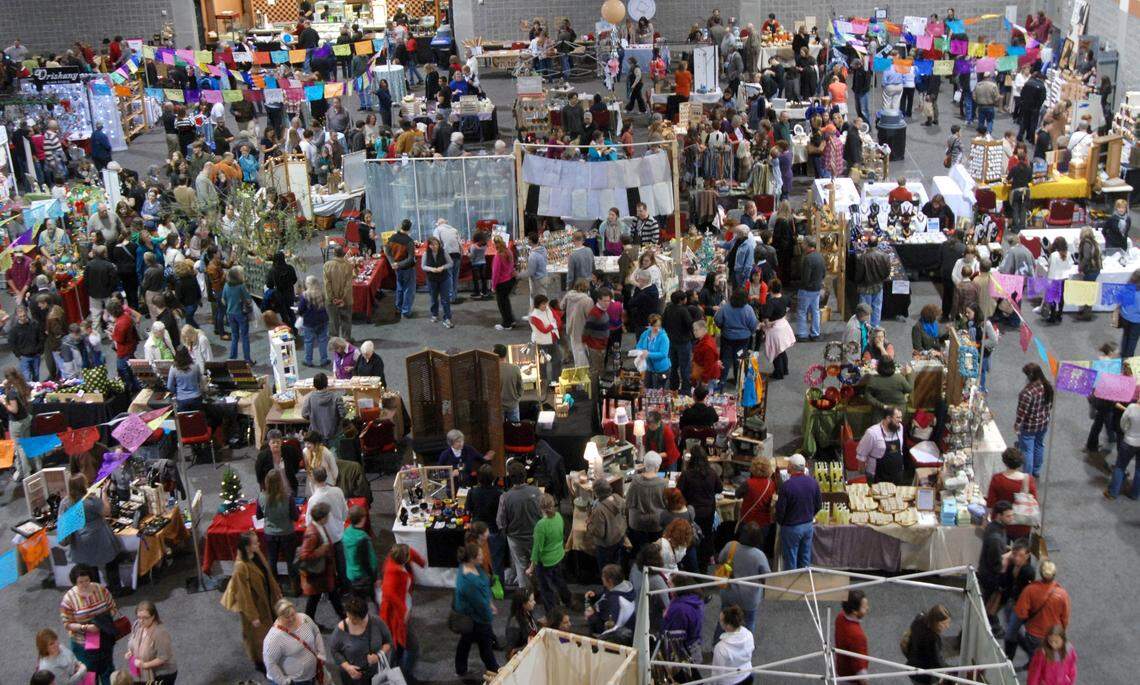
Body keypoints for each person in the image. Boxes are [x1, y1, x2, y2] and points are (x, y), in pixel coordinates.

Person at [59, 475, 122, 596]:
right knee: (111, 562)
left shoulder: (65, 503)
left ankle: (94, 594)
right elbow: (107, 511)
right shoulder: (91, 500)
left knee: (89, 570)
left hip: (80, 541)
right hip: (99, 537)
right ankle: (116, 590)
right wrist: (104, 493)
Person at [59, 565, 116, 684]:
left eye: (87, 580)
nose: (85, 584)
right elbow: (67, 623)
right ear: (75, 582)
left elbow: (113, 608)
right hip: (82, 644)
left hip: (104, 639)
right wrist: (85, 627)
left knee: (108, 670)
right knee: (89, 675)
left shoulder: (101, 589)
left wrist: (102, 622)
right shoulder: (69, 599)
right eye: (81, 582)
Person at [377, 543, 425, 678]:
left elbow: (409, 552)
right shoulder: (393, 573)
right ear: (404, 559)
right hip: (396, 616)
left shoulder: (394, 558)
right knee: (411, 647)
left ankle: (395, 671)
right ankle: (404, 675)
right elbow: (388, 593)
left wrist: (420, 561)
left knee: (398, 646)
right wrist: (403, 611)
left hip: (402, 611)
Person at [453, 542, 500, 676]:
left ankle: (461, 668)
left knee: (466, 641)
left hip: (472, 617)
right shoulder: (470, 582)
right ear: (472, 558)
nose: (482, 556)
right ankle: (495, 670)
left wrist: (489, 602)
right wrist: (488, 614)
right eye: (479, 555)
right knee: (485, 646)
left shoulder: (471, 567)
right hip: (476, 618)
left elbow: (483, 589)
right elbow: (479, 604)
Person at [715, 522, 770, 635]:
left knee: (724, 620)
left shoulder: (730, 546)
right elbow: (767, 578)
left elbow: (720, 560)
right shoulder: (759, 556)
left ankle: (717, 642)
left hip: (728, 593)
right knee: (749, 622)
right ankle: (746, 644)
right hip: (749, 598)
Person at [1015, 561, 1070, 668]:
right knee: (1051, 657)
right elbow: (1065, 618)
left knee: (1034, 655)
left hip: (1034, 633)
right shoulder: (1062, 594)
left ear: (1040, 573)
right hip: (1053, 633)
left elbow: (1021, 613)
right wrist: (1061, 632)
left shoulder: (1030, 590)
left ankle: (1034, 666)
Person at [298, 501, 346, 624]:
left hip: (323, 573)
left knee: (324, 597)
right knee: (317, 598)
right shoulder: (312, 533)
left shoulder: (318, 527)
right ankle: (343, 618)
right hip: (318, 574)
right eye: (327, 515)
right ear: (322, 517)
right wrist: (321, 551)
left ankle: (343, 617)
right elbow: (304, 555)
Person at [328, 595, 393, 685]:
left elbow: (388, 641)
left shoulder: (377, 622)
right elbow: (334, 651)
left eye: (355, 619)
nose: (351, 621)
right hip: (352, 676)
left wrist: (378, 656)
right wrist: (347, 667)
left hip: (375, 674)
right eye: (349, 616)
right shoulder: (341, 629)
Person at [497, 460, 543, 587]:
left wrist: (506, 532)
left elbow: (500, 522)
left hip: (515, 539)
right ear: (525, 475)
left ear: (510, 478)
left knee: (521, 568)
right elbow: (543, 514)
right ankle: (539, 589)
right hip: (535, 536)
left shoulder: (505, 497)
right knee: (536, 563)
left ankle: (526, 594)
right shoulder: (537, 492)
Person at [775, 454, 822, 570]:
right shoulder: (813, 483)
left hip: (791, 527)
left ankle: (792, 581)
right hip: (808, 526)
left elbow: (780, 510)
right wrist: (809, 515)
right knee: (805, 558)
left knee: (791, 559)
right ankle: (804, 579)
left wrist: (782, 522)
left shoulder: (786, 486)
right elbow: (818, 505)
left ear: (791, 467)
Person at [263, 599, 326, 685]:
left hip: (313, 672)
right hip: (297, 681)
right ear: (279, 617)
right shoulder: (273, 638)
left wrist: (321, 654)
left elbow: (316, 632)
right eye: (287, 617)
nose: (291, 619)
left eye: (293, 614)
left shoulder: (304, 618)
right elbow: (270, 664)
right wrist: (284, 682)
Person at [677, 445, 721, 564]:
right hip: (708, 511)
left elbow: (679, 491)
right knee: (707, 535)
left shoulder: (686, 474)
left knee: (692, 537)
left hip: (692, 512)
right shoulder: (712, 473)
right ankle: (705, 562)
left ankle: (692, 563)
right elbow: (719, 489)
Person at [528, 493, 571, 614]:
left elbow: (537, 549)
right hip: (558, 555)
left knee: (546, 589)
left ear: (540, 507)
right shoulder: (559, 516)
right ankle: (568, 600)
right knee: (559, 581)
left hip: (546, 562)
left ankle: (553, 614)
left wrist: (531, 567)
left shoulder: (541, 525)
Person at [987, 447, 1037, 540]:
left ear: (1004, 462)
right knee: (1021, 547)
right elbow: (1034, 500)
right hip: (1022, 523)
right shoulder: (1028, 479)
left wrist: (986, 519)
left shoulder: (997, 479)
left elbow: (990, 502)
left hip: (1002, 523)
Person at [1015, 363, 1053, 479]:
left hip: (1029, 426)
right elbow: (1050, 405)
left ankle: (1028, 476)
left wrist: (1017, 425)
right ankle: (1036, 470)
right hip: (1043, 423)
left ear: (1030, 376)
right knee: (1039, 445)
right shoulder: (1047, 386)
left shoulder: (1027, 392)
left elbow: (1022, 412)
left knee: (1027, 450)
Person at [124, 600, 176, 684]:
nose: (141, 621)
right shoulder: (137, 625)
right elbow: (132, 641)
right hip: (143, 672)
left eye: (145, 618)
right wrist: (131, 652)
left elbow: (163, 657)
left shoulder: (160, 633)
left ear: (153, 616)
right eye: (139, 617)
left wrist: (145, 665)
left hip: (162, 674)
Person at [626, 451, 666, 554]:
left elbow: (628, 502)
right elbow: (667, 505)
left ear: (644, 465)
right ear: (657, 467)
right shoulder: (663, 483)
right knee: (655, 552)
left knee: (638, 551)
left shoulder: (635, 481)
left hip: (637, 523)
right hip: (656, 524)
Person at [715, 289, 758, 386]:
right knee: (739, 359)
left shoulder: (725, 308)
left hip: (727, 337)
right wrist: (750, 332)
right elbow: (753, 324)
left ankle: (722, 380)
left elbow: (717, 320)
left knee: (725, 359)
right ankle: (738, 380)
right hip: (743, 339)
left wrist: (723, 328)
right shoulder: (748, 309)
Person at [660, 575, 704, 668]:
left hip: (684, 652)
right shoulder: (694, 599)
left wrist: (666, 617)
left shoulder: (679, 609)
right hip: (695, 646)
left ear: (679, 587)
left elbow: (674, 637)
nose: (668, 588)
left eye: (670, 584)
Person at [856, 406, 907, 485]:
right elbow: (861, 455)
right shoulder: (872, 433)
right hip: (877, 477)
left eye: (901, 417)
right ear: (888, 418)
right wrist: (863, 474)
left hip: (897, 475)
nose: (901, 420)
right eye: (898, 418)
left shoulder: (899, 428)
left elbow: (900, 451)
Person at [586, 478, 627, 573]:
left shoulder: (599, 510)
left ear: (597, 493)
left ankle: (608, 581)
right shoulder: (617, 497)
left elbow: (599, 533)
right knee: (617, 560)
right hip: (620, 536)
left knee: (606, 569)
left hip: (607, 545)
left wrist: (589, 525)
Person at [904, 605, 951, 683]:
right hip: (922, 675)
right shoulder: (932, 639)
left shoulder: (919, 619)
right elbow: (938, 662)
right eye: (943, 623)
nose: (947, 626)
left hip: (911, 664)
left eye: (948, 622)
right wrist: (953, 669)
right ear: (935, 622)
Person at [1106, 395, 1140, 500]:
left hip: (1129, 442)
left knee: (1120, 467)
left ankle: (1113, 493)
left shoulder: (1132, 408)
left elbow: (1122, 424)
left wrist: (1127, 432)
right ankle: (1134, 494)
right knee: (1139, 469)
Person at [834, 590, 870, 683]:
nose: (867, 608)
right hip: (852, 678)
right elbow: (860, 668)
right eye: (864, 607)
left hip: (841, 669)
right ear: (854, 611)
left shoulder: (840, 617)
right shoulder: (858, 636)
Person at [301, 373, 345, 445]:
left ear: (314, 384)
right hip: (334, 434)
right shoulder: (336, 397)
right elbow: (342, 414)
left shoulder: (309, 397)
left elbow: (304, 414)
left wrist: (313, 418)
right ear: (326, 383)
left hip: (316, 436)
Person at [221, 267, 253, 363]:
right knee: (245, 337)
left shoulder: (226, 285)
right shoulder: (241, 286)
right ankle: (247, 359)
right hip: (240, 314)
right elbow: (248, 300)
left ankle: (232, 358)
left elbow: (223, 300)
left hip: (230, 314)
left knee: (234, 336)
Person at [323, 244, 355, 340]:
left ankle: (335, 342)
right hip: (346, 300)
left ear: (334, 253)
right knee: (346, 320)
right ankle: (346, 341)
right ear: (343, 253)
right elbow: (348, 285)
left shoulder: (327, 265)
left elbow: (327, 284)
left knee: (333, 321)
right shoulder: (348, 266)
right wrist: (342, 298)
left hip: (331, 301)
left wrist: (333, 298)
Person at [796, 237, 825, 341]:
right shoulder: (820, 256)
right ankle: (815, 333)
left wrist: (802, 285)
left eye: (803, 243)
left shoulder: (807, 259)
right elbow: (824, 273)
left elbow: (805, 278)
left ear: (807, 245)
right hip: (816, 289)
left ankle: (802, 334)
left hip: (806, 290)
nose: (802, 245)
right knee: (815, 311)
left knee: (802, 311)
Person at [635, 313, 671, 390]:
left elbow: (663, 354)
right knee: (647, 390)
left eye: (659, 326)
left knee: (658, 392)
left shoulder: (664, 337)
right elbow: (638, 346)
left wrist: (648, 354)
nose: (657, 328)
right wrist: (641, 351)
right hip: (649, 368)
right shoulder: (645, 334)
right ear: (649, 325)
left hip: (661, 370)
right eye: (654, 326)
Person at [165, 346, 203, 413]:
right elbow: (200, 381)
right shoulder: (195, 366)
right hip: (196, 397)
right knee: (197, 417)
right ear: (188, 354)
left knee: (183, 418)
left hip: (181, 399)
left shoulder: (173, 368)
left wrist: (175, 392)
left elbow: (169, 386)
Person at [492, 235, 518, 330]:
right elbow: (512, 265)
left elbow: (495, 273)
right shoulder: (509, 252)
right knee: (506, 302)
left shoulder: (498, 256)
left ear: (495, 244)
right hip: (510, 280)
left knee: (502, 304)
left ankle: (506, 324)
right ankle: (511, 320)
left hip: (501, 283)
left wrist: (493, 286)